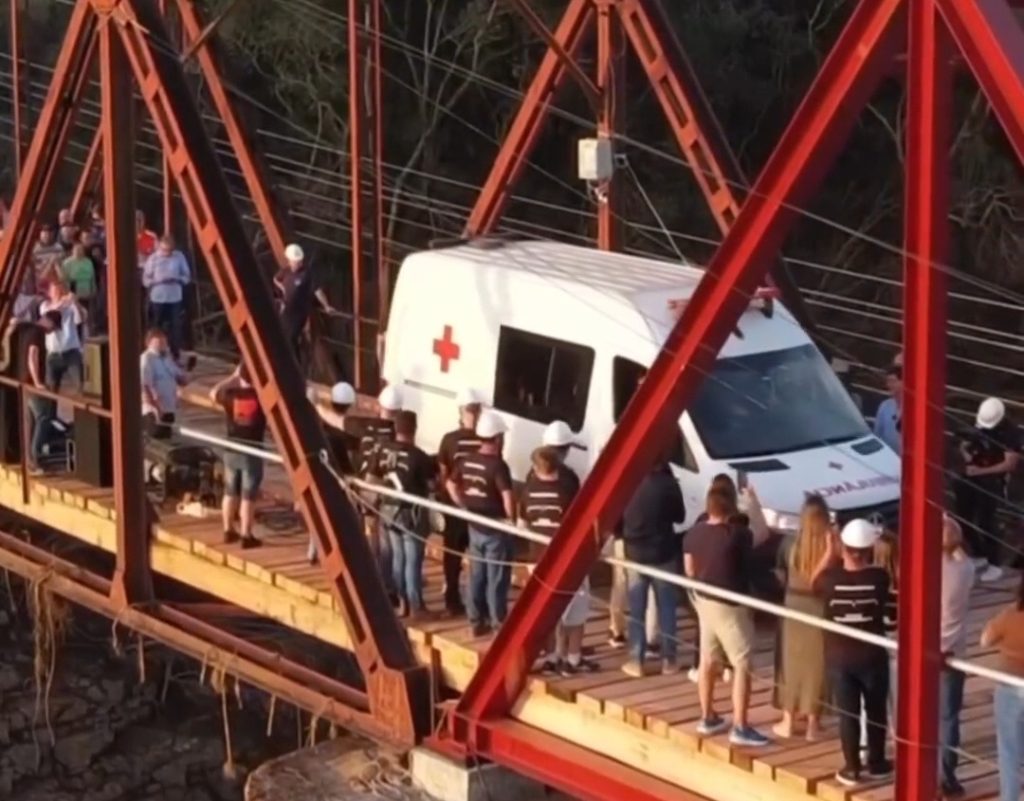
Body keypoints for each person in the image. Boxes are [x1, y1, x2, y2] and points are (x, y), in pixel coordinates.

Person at [812, 518, 892, 787]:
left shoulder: (830, 579)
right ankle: (878, 763)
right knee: (876, 709)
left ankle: (852, 768)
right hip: (872, 655)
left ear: (843, 548)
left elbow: (813, 582)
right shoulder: (880, 578)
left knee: (848, 713)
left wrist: (828, 552)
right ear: (870, 549)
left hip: (839, 657)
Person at [685, 487, 767, 747]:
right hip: (731, 606)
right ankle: (740, 726)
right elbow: (762, 533)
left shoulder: (694, 533)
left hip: (704, 601)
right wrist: (753, 503)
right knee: (742, 664)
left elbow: (689, 569)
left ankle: (707, 716)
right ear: (731, 507)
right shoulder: (736, 535)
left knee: (707, 660)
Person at [521, 439, 595, 676]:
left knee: (546, 613)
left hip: (538, 560)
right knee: (576, 611)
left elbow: (521, 524)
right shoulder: (567, 491)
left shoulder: (528, 490)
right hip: (567, 561)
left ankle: (552, 657)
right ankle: (572, 658)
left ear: (535, 468)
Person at [446, 410, 514, 637]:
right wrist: (510, 520)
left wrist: (463, 506)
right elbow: (507, 496)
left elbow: (451, 484)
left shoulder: (467, 460)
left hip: (474, 525)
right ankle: (497, 622)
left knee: (476, 574)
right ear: (496, 439)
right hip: (495, 527)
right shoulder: (498, 465)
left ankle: (475, 620)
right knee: (496, 577)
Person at [619, 456, 685, 679]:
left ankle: (636, 660)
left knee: (636, 609)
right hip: (663, 552)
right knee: (667, 608)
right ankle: (669, 660)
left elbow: (617, 519)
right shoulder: (668, 484)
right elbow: (680, 516)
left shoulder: (627, 482)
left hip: (635, 552)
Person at [773, 494, 831, 741]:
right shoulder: (831, 547)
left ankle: (788, 720)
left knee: (790, 663)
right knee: (817, 666)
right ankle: (813, 725)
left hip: (793, 606)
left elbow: (780, 574)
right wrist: (829, 551)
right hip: (819, 608)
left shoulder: (790, 544)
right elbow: (820, 580)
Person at [377, 410, 436, 619]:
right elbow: (431, 484)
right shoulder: (418, 456)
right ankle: (416, 605)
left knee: (397, 559)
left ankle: (402, 604)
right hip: (411, 514)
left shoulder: (384, 450)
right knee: (412, 560)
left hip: (387, 510)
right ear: (414, 429)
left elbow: (374, 475)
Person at [955, 397, 1019, 582]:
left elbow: (1009, 464)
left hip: (993, 480)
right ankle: (978, 554)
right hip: (973, 473)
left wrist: (981, 471)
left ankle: (994, 563)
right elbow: (964, 443)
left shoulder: (1010, 433)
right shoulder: (977, 423)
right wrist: (967, 454)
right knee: (962, 516)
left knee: (986, 521)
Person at [436, 388, 484, 617]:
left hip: (477, 509)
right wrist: (453, 496)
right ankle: (452, 598)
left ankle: (476, 604)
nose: (473, 415)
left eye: (476, 410)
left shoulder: (487, 439)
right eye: (469, 410)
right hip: (455, 507)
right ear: (461, 411)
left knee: (477, 557)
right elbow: (443, 472)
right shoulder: (449, 439)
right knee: (453, 555)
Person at [209, 363, 266, 549]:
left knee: (230, 491)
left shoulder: (230, 395)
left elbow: (213, 393)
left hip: (231, 450)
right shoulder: (261, 398)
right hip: (252, 451)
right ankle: (246, 535)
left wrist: (232, 378)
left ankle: (228, 530)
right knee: (248, 495)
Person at [938, 516, 974, 797]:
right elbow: (958, 551)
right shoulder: (966, 569)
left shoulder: (926, 568)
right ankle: (947, 774)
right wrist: (951, 529)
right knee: (949, 717)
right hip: (952, 653)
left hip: (923, 651)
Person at [981, 571, 1024, 801]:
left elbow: (985, 639)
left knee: (1009, 750)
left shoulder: (1009, 616)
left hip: (1009, 686)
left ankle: (1010, 797)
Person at [308, 381, 361, 565]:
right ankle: (343, 555)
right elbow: (349, 462)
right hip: (339, 480)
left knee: (319, 515)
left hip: (320, 477)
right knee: (343, 519)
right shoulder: (347, 434)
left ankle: (313, 552)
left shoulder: (318, 427)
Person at [274, 243, 336, 365]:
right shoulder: (286, 271)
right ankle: (282, 363)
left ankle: (296, 366)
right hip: (287, 310)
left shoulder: (306, 274)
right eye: (295, 261)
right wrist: (283, 290)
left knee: (291, 338)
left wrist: (326, 306)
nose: (297, 263)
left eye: (298, 261)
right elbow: (276, 279)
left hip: (299, 313)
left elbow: (317, 290)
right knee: (281, 335)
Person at [16, 313, 58, 474]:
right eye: (53, 328)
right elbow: (32, 356)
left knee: (29, 422)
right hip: (31, 384)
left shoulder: (27, 330)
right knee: (43, 417)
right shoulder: (37, 333)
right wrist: (38, 382)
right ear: (48, 322)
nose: (51, 332)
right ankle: (35, 457)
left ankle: (29, 461)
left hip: (22, 382)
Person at [142, 234, 191, 360]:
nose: (166, 254)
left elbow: (187, 276)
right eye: (164, 250)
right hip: (158, 296)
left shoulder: (179, 257)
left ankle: (175, 353)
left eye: (169, 251)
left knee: (175, 326)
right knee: (156, 326)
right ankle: (154, 352)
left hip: (174, 296)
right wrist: (157, 281)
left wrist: (178, 279)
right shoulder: (153, 259)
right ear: (159, 247)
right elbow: (145, 279)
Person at [38, 279, 85, 393]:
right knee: (52, 389)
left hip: (71, 352)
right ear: (49, 292)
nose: (58, 291)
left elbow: (81, 319)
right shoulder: (45, 306)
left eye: (60, 289)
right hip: (53, 355)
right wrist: (64, 302)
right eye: (55, 289)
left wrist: (75, 302)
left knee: (79, 386)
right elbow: (51, 317)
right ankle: (51, 411)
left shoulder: (70, 305)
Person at [140, 329, 187, 435]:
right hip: (155, 409)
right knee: (156, 436)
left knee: (167, 433)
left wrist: (183, 373)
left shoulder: (167, 358)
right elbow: (145, 384)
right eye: (160, 343)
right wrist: (153, 405)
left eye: (164, 343)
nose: (163, 346)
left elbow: (180, 376)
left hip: (169, 407)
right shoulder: (147, 359)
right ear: (150, 343)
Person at [61, 243, 97, 318]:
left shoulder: (88, 262)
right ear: (72, 251)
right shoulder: (67, 263)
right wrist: (69, 293)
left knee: (87, 314)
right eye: (76, 250)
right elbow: (64, 279)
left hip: (86, 289)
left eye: (80, 250)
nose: (78, 252)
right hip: (74, 290)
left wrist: (93, 288)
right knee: (76, 315)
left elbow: (92, 277)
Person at [873, 364, 901, 454]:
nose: (889, 385)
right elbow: (877, 435)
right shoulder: (885, 406)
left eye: (893, 381)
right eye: (888, 381)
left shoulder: (915, 410)